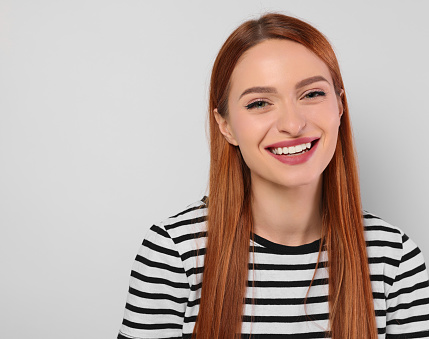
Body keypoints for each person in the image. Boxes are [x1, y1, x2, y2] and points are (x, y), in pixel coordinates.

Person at [117, 13, 429, 338]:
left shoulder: (393, 257)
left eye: (311, 94)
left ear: (339, 105)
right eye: (259, 103)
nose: (292, 125)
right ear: (225, 126)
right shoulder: (174, 254)